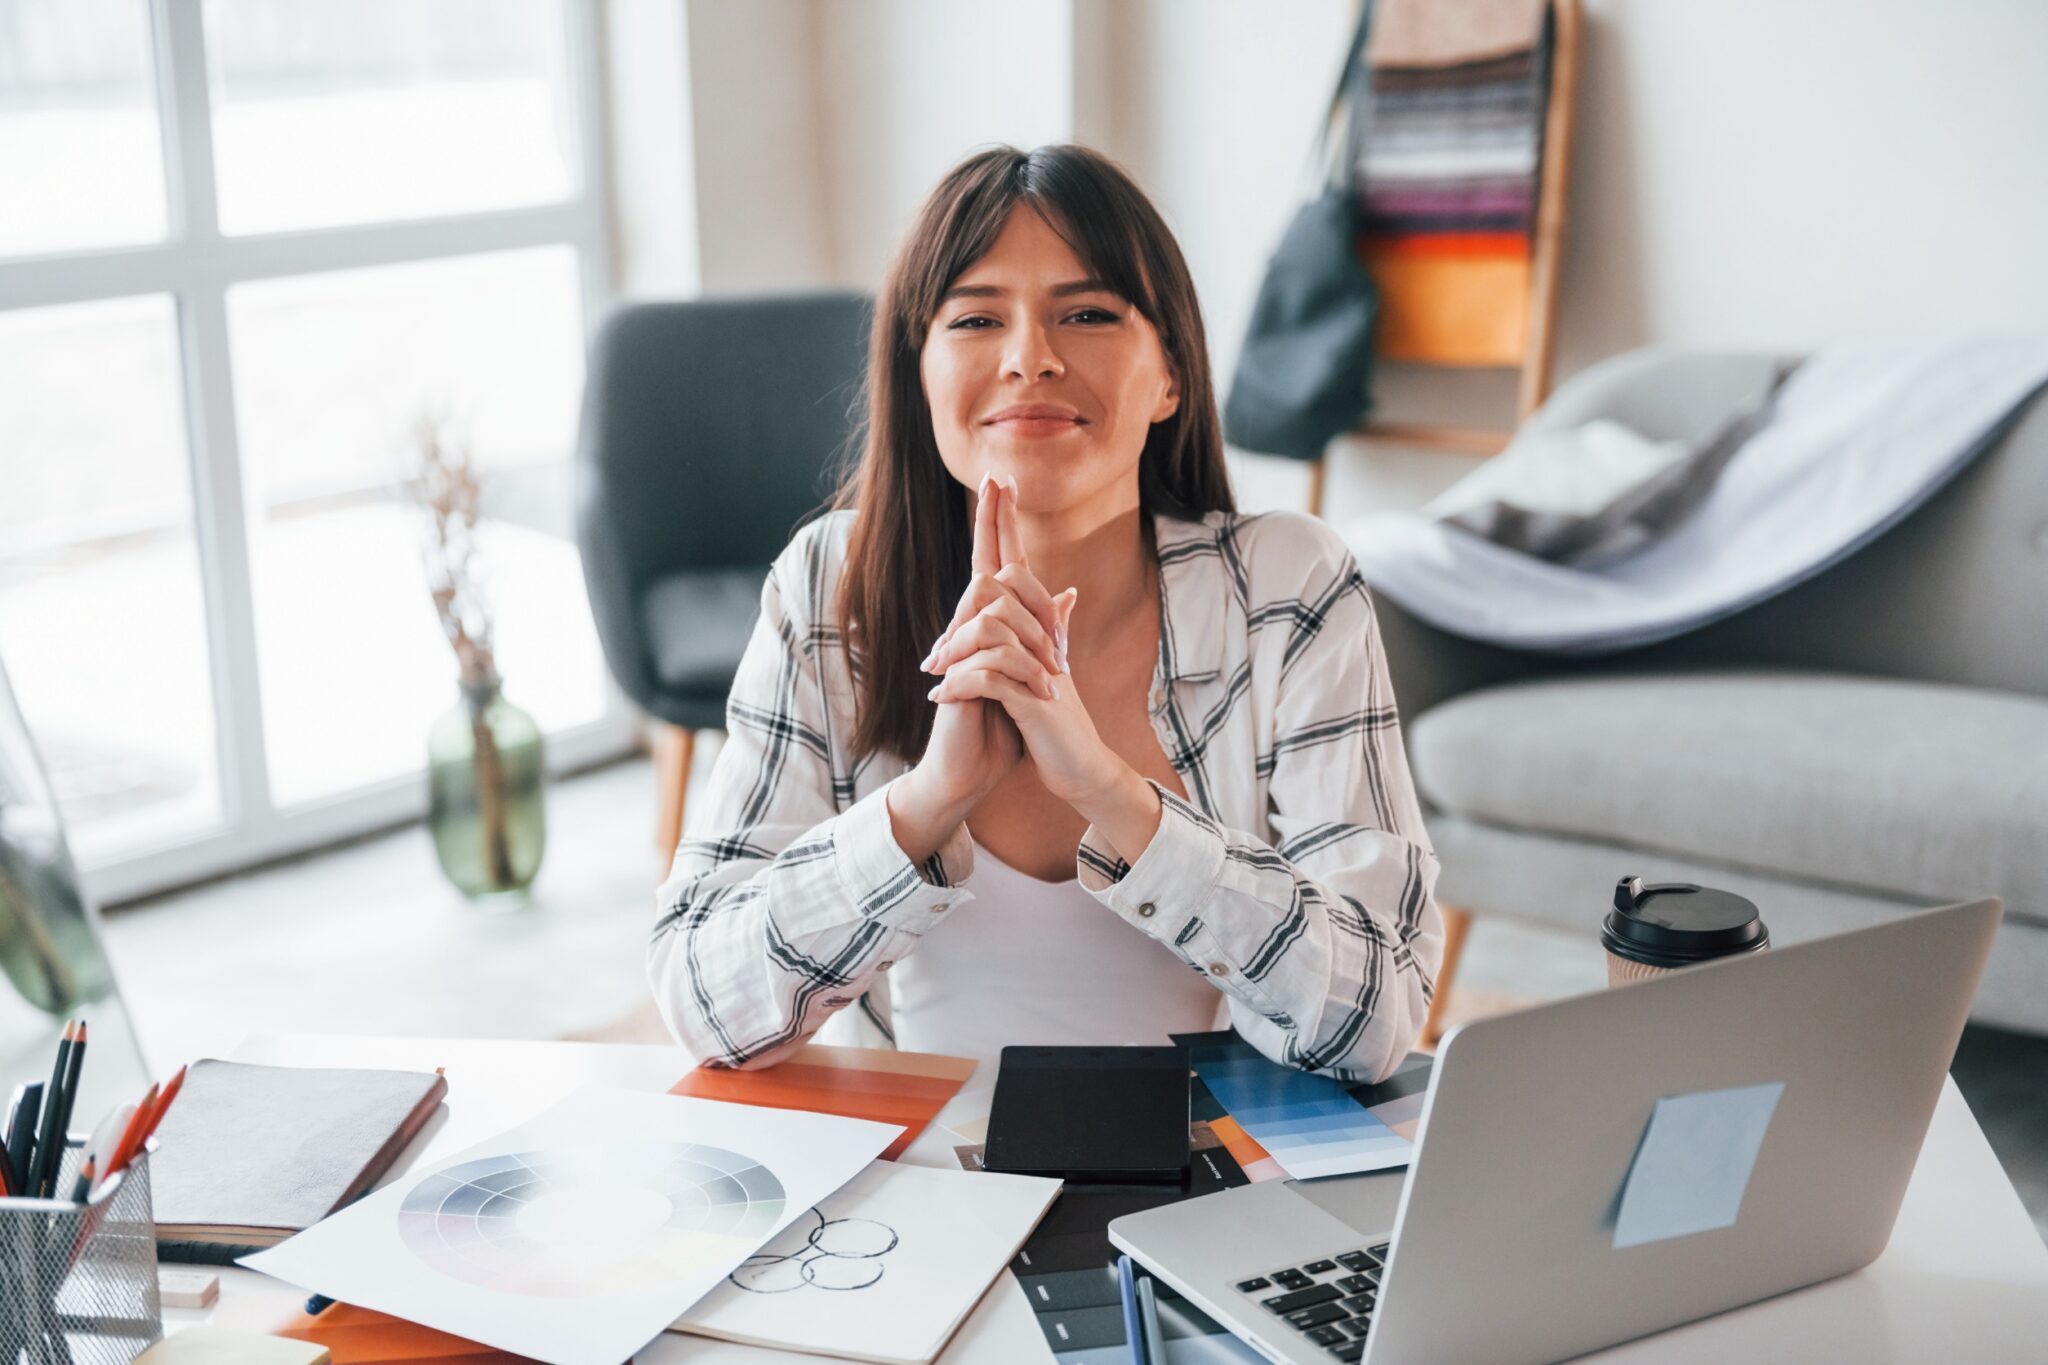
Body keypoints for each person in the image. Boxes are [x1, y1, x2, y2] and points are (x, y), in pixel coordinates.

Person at [650, 144, 1442, 1086]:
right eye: (978, 317)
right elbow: (703, 1005)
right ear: (920, 376)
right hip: (926, 1195)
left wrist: (1116, 796)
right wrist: (926, 801)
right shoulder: (831, 586)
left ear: (1170, 377)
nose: (1032, 357)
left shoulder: (1287, 586)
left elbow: (1375, 1020)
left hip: (1215, 1192)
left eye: (1089, 314)